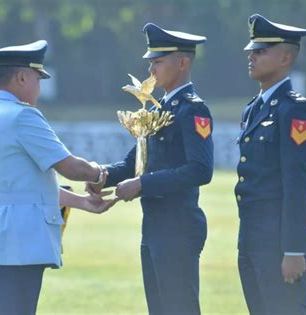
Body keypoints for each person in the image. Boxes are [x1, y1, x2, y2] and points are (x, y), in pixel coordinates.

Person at [0, 40, 118, 315]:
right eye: (37, 77)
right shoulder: (23, 117)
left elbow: (25, 185)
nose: (39, 86)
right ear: (22, 76)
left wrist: (82, 202)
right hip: (19, 242)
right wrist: (101, 174)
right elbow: (71, 168)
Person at [87, 23, 214, 315]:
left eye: (157, 61)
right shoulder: (158, 110)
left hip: (178, 226)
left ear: (182, 63)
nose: (150, 69)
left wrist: (142, 184)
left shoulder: (192, 109)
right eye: (150, 62)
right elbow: (135, 161)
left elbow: (200, 170)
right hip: (156, 226)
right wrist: (100, 176)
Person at [235, 14, 306, 315]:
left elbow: (296, 183)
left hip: (278, 241)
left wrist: (293, 248)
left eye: (260, 51)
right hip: (251, 238)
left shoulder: (294, 110)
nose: (251, 55)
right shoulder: (254, 109)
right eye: (251, 50)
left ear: (285, 58)